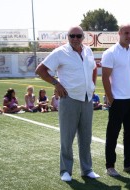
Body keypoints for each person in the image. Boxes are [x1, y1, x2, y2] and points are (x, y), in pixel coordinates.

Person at [35, 26, 99, 181]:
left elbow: (94, 69)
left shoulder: (88, 51)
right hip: (69, 99)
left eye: (78, 36)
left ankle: (87, 169)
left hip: (86, 99)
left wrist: (92, 87)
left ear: (83, 37)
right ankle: (65, 171)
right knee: (67, 137)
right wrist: (56, 84)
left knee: (86, 137)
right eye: (72, 36)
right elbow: (40, 70)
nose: (75, 39)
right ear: (68, 37)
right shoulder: (60, 52)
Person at [101, 24, 130, 176]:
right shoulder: (110, 53)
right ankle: (110, 166)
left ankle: (128, 164)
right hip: (117, 100)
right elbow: (105, 77)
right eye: (126, 32)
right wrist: (111, 99)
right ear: (119, 33)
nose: (129, 35)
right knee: (112, 134)